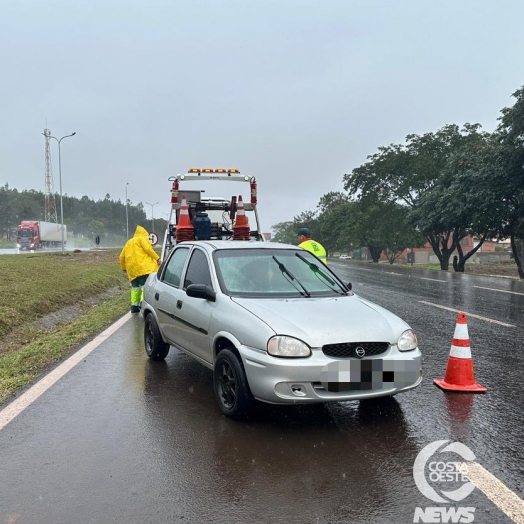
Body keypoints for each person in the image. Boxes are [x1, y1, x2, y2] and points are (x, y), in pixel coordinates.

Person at [120, 225, 161, 313]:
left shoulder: (129, 242)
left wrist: (124, 268)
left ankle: (134, 306)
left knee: (135, 288)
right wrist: (157, 258)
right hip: (142, 268)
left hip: (132, 270)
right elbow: (148, 249)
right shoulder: (141, 239)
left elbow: (121, 256)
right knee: (143, 287)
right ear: (144, 234)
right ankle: (143, 305)